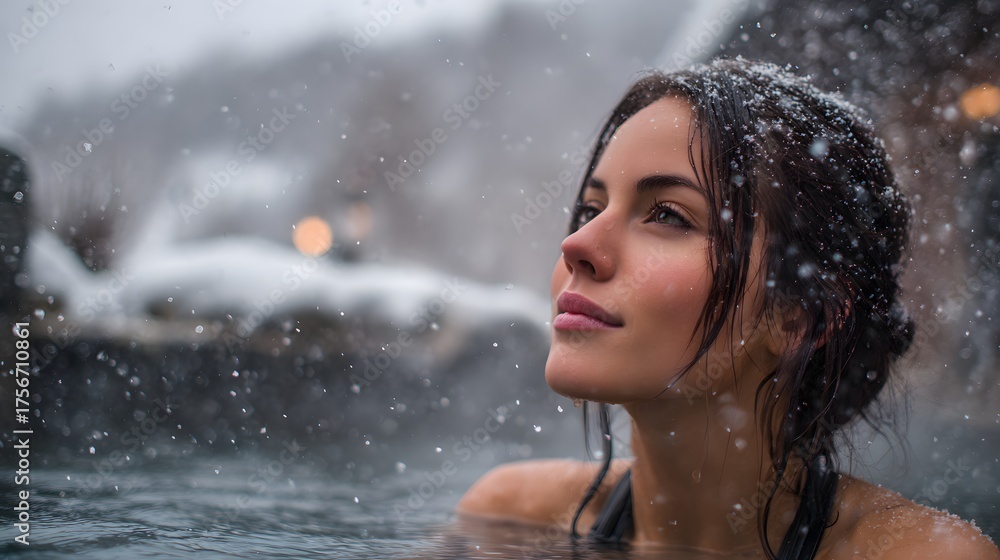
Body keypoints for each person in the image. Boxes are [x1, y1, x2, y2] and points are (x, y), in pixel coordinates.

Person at [456, 58, 1000, 559]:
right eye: (590, 208)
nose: (577, 245)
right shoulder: (508, 520)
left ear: (799, 315)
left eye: (668, 216)